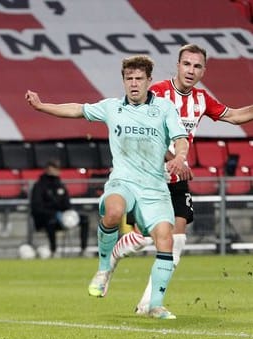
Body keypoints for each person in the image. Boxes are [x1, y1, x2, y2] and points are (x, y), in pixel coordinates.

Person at [26, 55, 190, 319]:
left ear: (149, 81)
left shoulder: (165, 109)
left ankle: (155, 305)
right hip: (123, 180)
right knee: (113, 211)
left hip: (154, 187)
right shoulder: (112, 107)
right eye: (129, 79)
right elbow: (76, 109)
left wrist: (180, 157)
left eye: (139, 79)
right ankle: (104, 269)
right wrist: (42, 106)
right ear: (123, 81)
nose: (134, 84)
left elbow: (180, 139)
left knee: (165, 240)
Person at [110, 43, 253, 314]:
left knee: (177, 241)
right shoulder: (158, 93)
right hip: (147, 176)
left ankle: (150, 304)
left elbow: (234, 116)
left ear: (203, 71)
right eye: (186, 64)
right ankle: (117, 252)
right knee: (141, 241)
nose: (191, 70)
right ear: (177, 65)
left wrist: (177, 162)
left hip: (175, 177)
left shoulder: (201, 99)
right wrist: (171, 158)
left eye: (197, 66)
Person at [30, 159, 89, 257]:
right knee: (51, 221)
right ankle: (53, 250)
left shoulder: (60, 185)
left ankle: (84, 249)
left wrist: (68, 213)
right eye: (54, 167)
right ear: (48, 169)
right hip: (45, 218)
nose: (57, 170)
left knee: (84, 219)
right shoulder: (39, 186)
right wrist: (54, 212)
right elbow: (37, 207)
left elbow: (67, 204)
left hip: (62, 217)